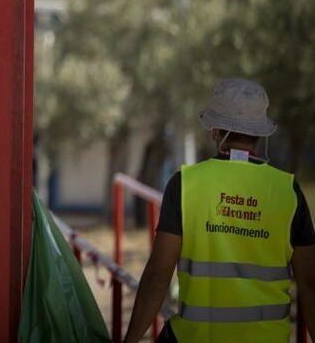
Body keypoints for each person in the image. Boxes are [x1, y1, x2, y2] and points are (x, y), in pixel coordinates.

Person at [123, 78, 315, 342]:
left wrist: (130, 339)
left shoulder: (185, 185)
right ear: (260, 134)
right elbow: (310, 284)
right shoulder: (288, 192)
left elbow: (158, 274)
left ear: (214, 130)